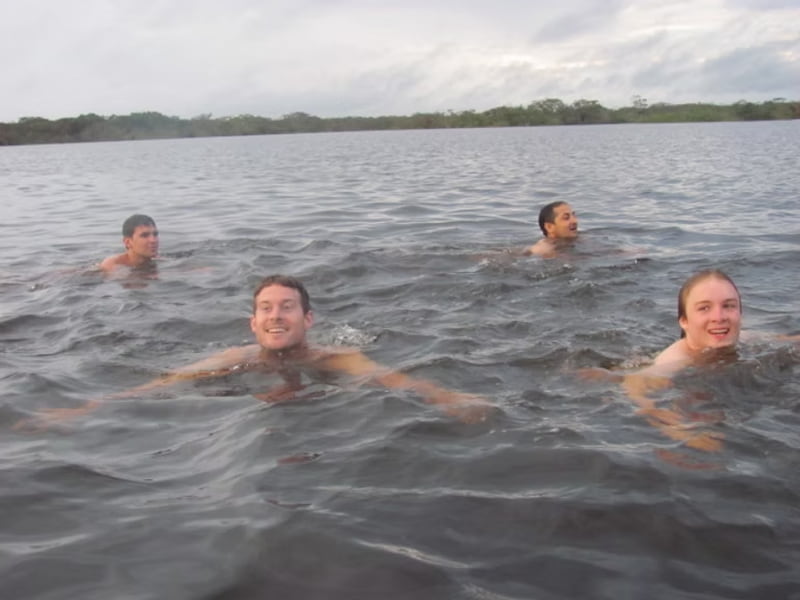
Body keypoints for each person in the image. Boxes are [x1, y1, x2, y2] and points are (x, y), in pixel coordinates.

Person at [17, 275, 493, 430]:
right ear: (253, 322)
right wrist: (84, 409)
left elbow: (399, 381)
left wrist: (452, 399)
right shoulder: (233, 357)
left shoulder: (335, 358)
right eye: (265, 308)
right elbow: (164, 384)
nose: (275, 316)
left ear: (308, 319)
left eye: (287, 307)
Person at [582, 269, 798, 452]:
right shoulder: (674, 361)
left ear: (740, 313)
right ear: (684, 321)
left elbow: (789, 341)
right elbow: (637, 390)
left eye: (729, 306)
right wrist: (683, 431)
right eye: (704, 308)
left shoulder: (747, 338)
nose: (719, 316)